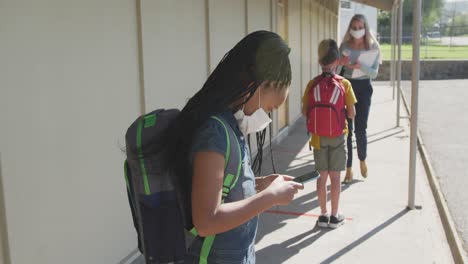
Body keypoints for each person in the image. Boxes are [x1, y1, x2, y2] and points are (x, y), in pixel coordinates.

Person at [164, 31, 304, 264]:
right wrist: (270, 197)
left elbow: (223, 191)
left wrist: (259, 185)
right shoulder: (215, 134)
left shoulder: (230, 126)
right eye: (268, 108)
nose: (266, 117)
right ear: (254, 85)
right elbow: (206, 221)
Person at [302, 39, 356, 228]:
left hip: (318, 138)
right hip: (338, 137)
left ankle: (323, 215)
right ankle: (335, 216)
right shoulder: (345, 84)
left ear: (320, 61)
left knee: (322, 176)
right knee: (335, 177)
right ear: (336, 61)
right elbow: (351, 113)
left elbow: (305, 111)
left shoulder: (312, 84)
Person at [338, 14, 381, 183]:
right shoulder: (345, 46)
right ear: (350, 28)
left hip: (364, 89)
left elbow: (375, 73)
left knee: (361, 128)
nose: (357, 31)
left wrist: (360, 66)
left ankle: (362, 159)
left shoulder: (373, 46)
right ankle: (348, 168)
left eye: (360, 28)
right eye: (354, 28)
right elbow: (337, 69)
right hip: (347, 87)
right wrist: (342, 62)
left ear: (365, 28)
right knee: (347, 129)